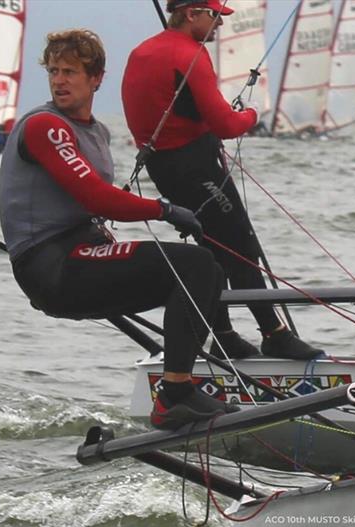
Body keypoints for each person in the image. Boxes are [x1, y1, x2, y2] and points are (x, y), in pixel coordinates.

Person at [0, 29, 238, 431]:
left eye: (70, 72)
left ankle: (189, 380)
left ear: (96, 78)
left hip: (79, 254)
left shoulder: (96, 132)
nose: (59, 80)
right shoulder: (45, 127)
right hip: (51, 267)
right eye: (54, 71)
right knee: (193, 266)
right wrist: (163, 209)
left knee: (206, 271)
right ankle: (175, 395)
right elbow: (97, 198)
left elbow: (89, 206)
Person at [122, 0, 322, 360]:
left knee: (210, 248)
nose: (219, 24)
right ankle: (273, 333)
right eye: (214, 15)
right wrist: (250, 114)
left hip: (163, 168)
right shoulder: (190, 55)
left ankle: (224, 334)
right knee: (238, 246)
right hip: (195, 166)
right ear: (190, 13)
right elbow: (226, 126)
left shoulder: (141, 51)